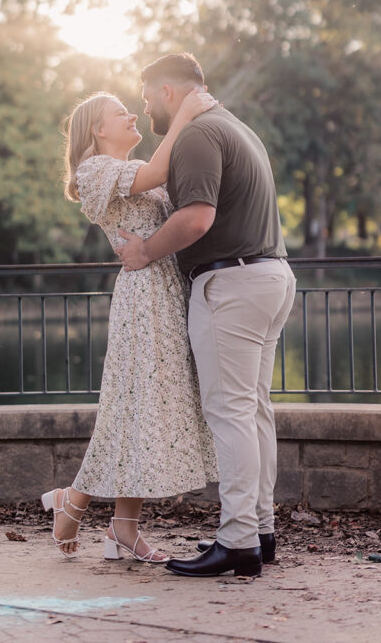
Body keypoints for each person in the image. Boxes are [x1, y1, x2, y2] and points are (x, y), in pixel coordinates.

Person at [117, 53, 296, 579]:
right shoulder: (236, 128)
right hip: (270, 276)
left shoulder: (197, 135)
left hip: (231, 283)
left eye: (147, 95)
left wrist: (146, 250)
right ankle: (259, 531)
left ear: (168, 91)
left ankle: (238, 540)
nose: (144, 105)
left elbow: (196, 219)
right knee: (255, 411)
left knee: (232, 413)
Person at [41, 87, 218, 562]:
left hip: (165, 293)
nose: (133, 116)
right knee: (132, 410)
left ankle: (119, 526)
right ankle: (74, 501)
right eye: (121, 113)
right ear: (98, 130)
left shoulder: (133, 174)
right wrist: (184, 113)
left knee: (141, 414)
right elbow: (156, 169)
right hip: (141, 301)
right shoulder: (96, 170)